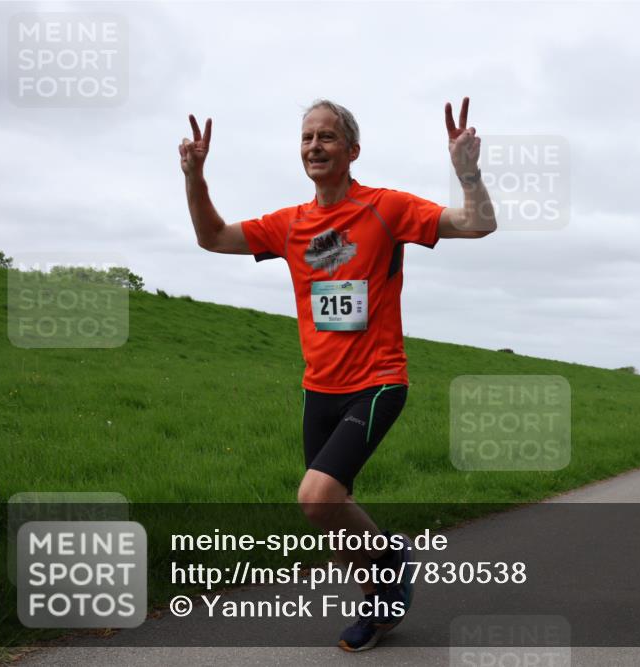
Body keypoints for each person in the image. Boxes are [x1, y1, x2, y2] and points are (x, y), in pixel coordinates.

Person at [180, 97, 496, 652]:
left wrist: (467, 173)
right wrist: (194, 177)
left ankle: (390, 561)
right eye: (307, 138)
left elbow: (478, 224)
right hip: (318, 389)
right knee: (332, 511)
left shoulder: (386, 208)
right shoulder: (289, 224)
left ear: (352, 150)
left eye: (326, 136)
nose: (314, 146)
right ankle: (378, 604)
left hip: (377, 381)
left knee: (316, 497)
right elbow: (213, 237)